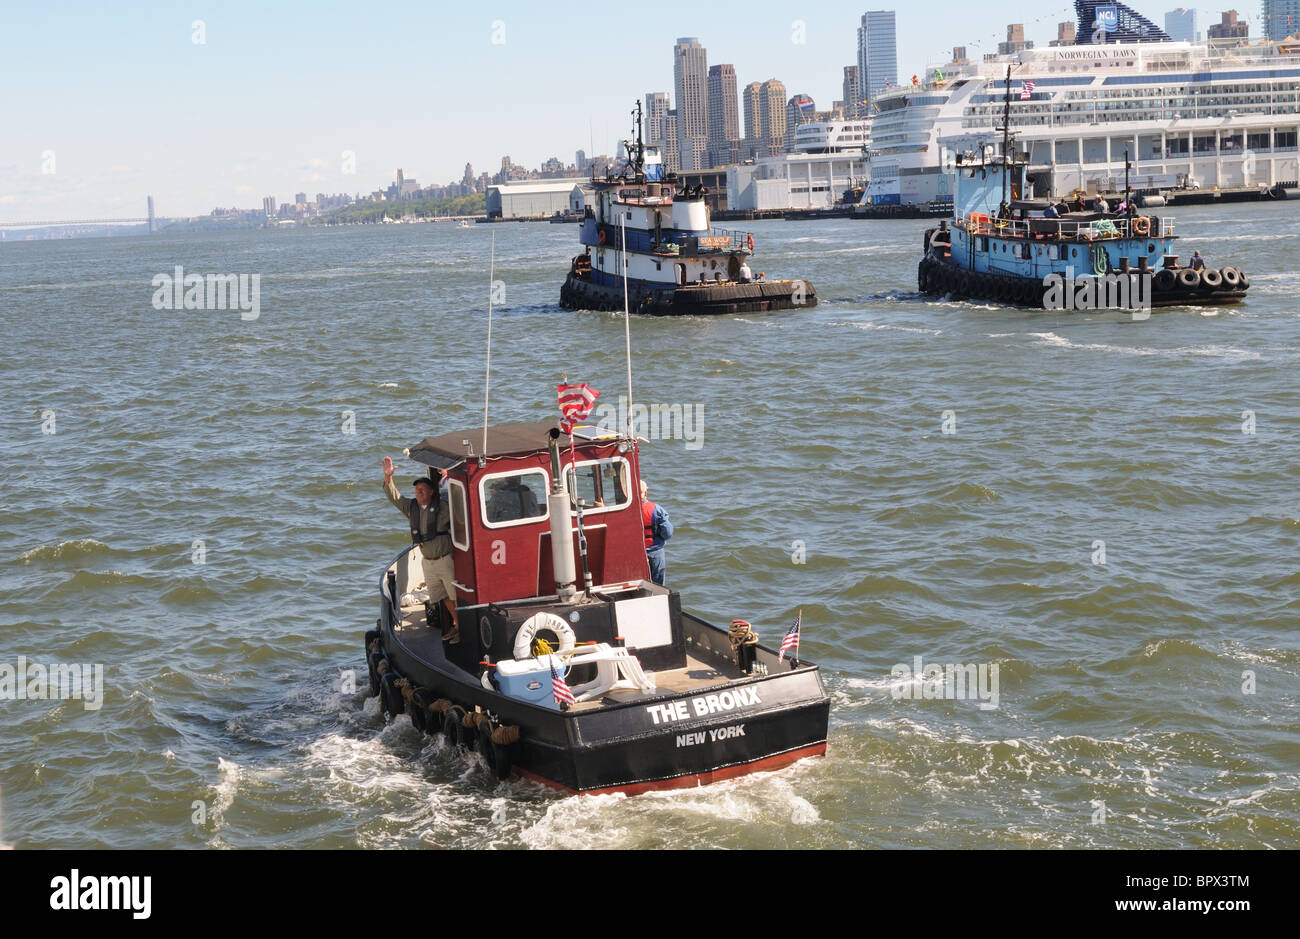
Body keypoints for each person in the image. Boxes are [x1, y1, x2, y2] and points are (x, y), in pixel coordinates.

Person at [382, 456, 459, 643]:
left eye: (423, 489)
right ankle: (456, 625)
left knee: (454, 596)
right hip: (428, 562)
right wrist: (388, 478)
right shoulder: (412, 508)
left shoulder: (442, 508)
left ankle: (461, 628)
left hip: (444, 559)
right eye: (417, 490)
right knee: (440, 596)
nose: (419, 492)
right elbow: (395, 498)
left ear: (432, 492)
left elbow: (461, 513)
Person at [640, 479, 673, 586]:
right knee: (658, 584)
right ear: (645, 493)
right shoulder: (657, 509)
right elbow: (667, 533)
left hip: (637, 553)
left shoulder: (626, 511)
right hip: (655, 551)